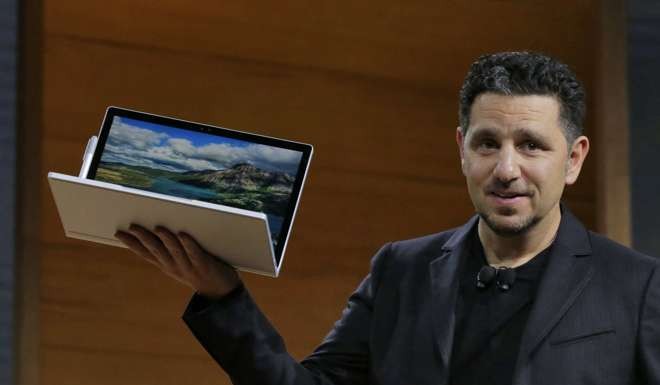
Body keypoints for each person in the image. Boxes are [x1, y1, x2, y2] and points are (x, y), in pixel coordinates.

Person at [115, 51, 660, 385]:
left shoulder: (637, 289)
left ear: (575, 159)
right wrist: (224, 296)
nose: (506, 168)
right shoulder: (401, 269)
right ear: (461, 150)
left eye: (532, 145)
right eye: (488, 143)